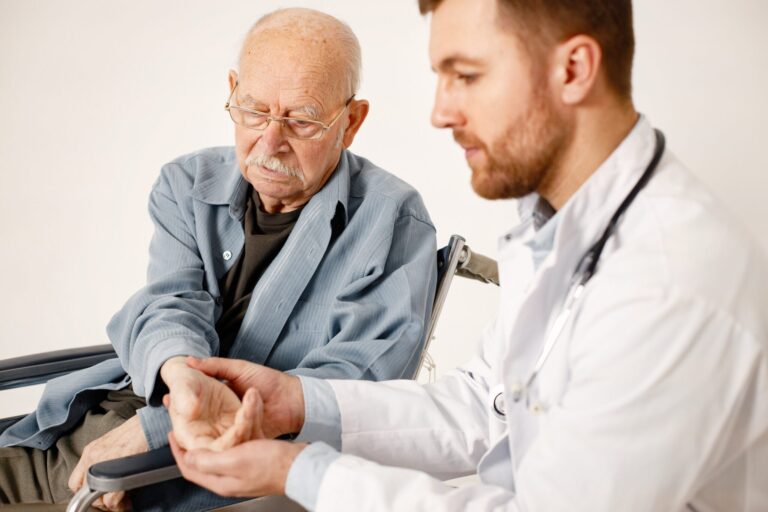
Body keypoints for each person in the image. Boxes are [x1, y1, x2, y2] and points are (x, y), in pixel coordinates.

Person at [165, 0, 768, 510]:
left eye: (467, 75)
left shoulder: (668, 279)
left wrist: (302, 472)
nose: (440, 112)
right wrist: (291, 401)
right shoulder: (564, 230)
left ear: (575, 69)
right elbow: (484, 408)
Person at [0, 8, 437, 511]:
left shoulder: (392, 221)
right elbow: (170, 304)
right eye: (253, 110)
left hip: (192, 476)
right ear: (232, 90)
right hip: (102, 420)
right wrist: (179, 380)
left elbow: (353, 393)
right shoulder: (186, 184)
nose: (270, 142)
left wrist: (159, 431)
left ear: (351, 121)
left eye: (301, 119)